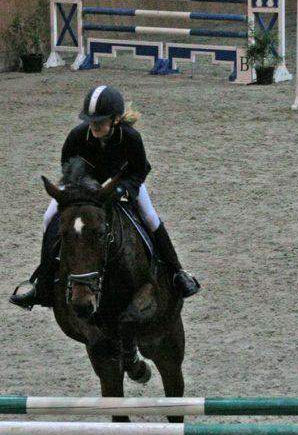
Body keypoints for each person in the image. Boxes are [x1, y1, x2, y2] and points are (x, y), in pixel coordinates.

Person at [10, 84, 201, 309]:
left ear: (116, 119)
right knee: (48, 217)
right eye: (91, 121)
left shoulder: (131, 138)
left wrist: (120, 190)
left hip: (121, 183)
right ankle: (42, 284)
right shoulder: (77, 136)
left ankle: (177, 272)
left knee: (150, 217)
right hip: (82, 185)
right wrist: (84, 188)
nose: (94, 125)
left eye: (100, 121)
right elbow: (67, 167)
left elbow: (139, 171)